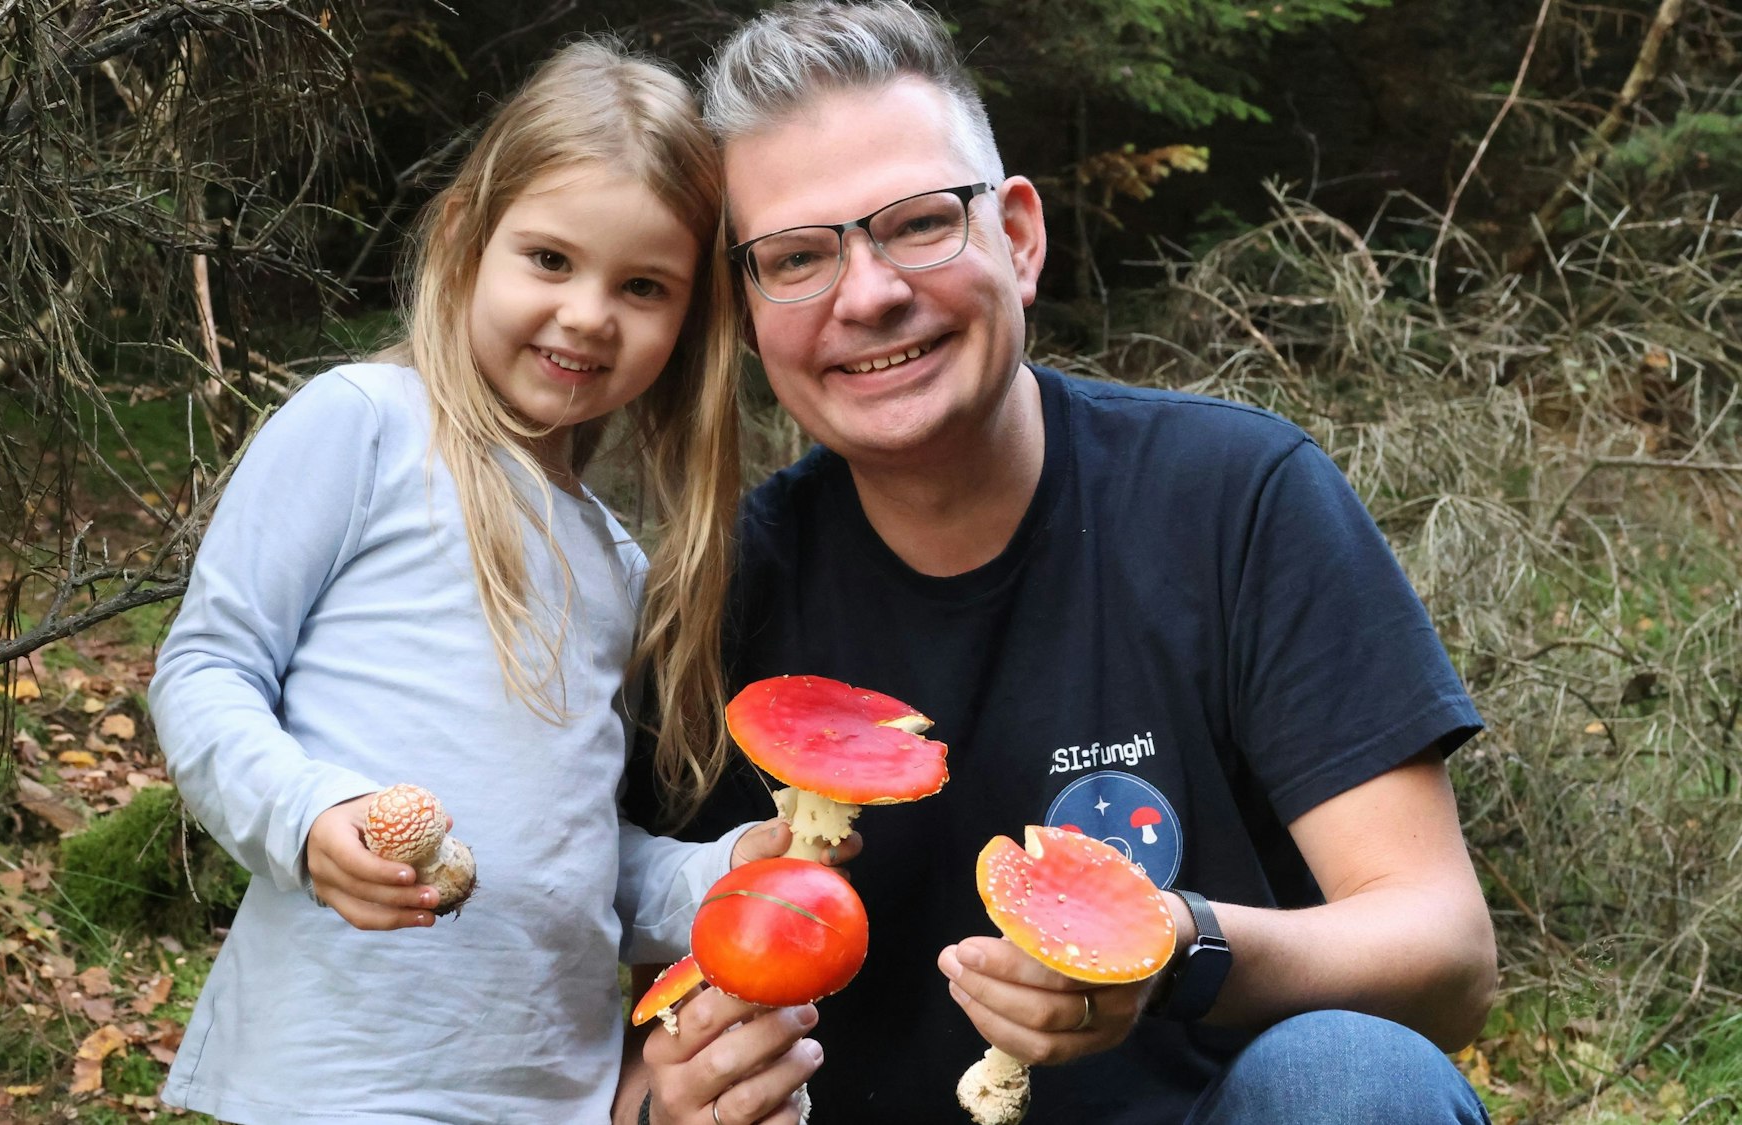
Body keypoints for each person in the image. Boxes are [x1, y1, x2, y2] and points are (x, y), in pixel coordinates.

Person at [628, 3, 1501, 1123]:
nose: (867, 294)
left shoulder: (1231, 500)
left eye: (916, 224)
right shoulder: (707, 597)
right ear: (747, 315)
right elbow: (584, 969)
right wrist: (661, 1107)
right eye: (795, 258)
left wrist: (1174, 946)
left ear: (1020, 238)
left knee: (1351, 1080)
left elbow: (1442, 954)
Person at [148, 40, 816, 1123]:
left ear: (688, 320)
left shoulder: (617, 561)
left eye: (641, 286)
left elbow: (572, 859)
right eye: (548, 259)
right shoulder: (364, 426)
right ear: (465, 238)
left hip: (550, 1089)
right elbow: (204, 669)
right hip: (339, 1075)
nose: (588, 313)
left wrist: (729, 869)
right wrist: (309, 816)